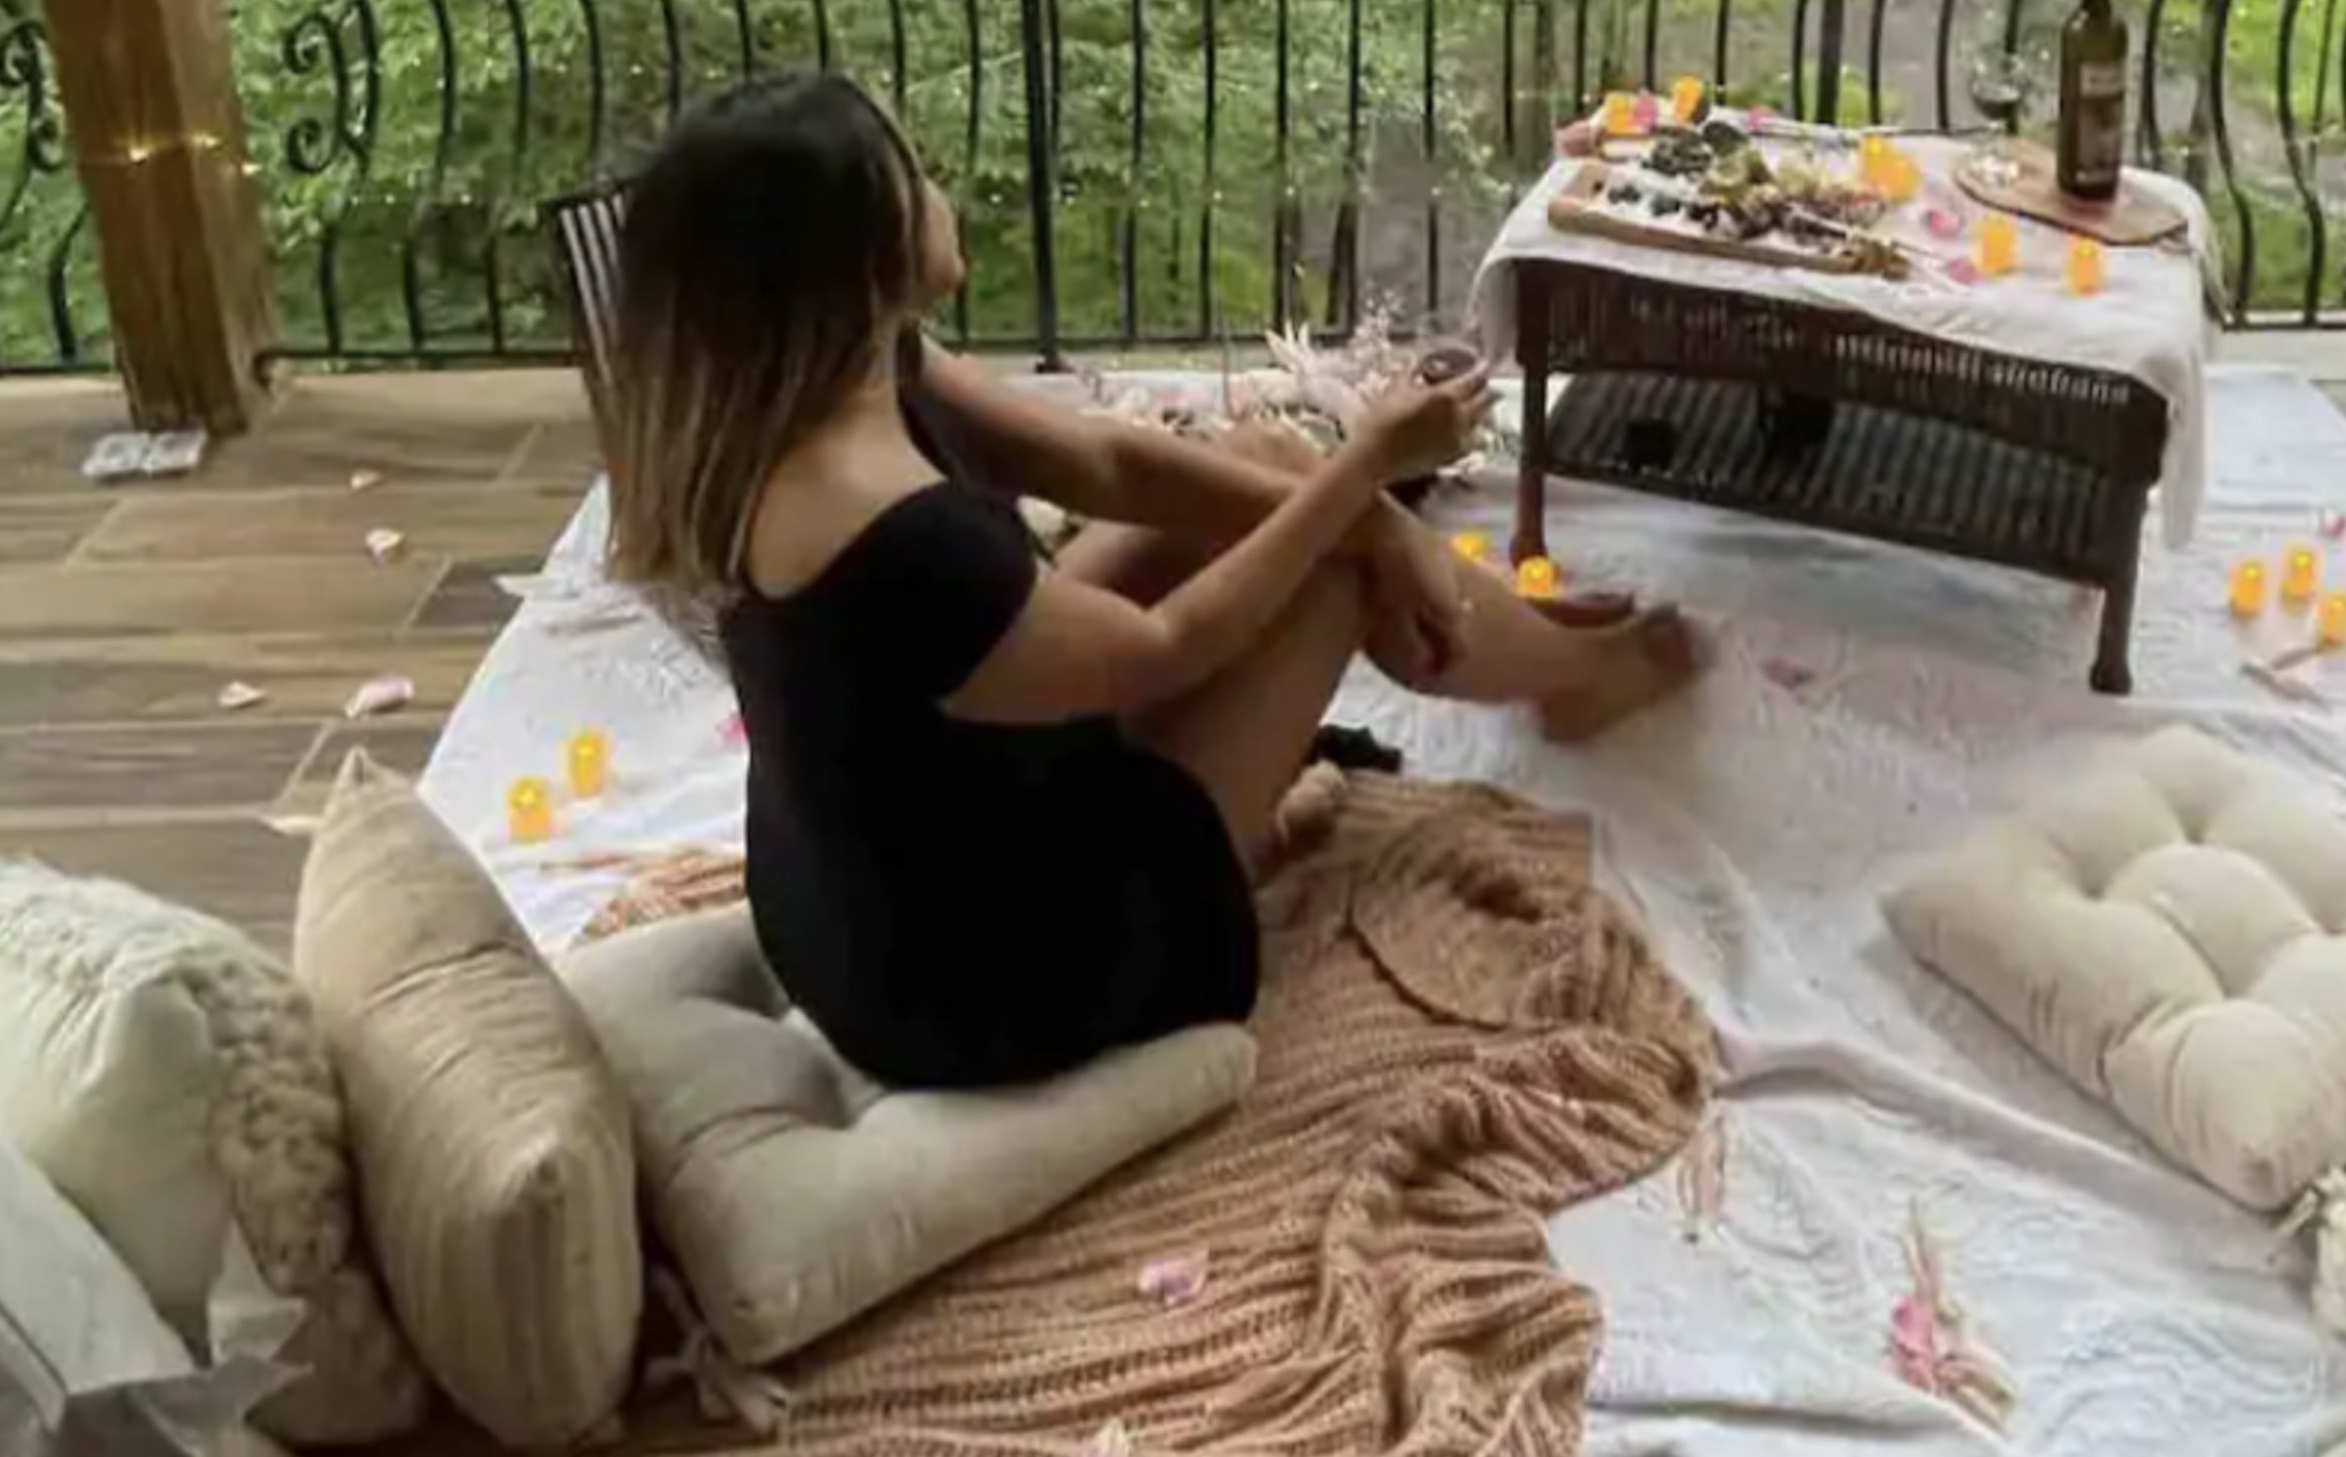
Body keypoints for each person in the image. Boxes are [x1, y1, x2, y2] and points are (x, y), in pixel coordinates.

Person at [601, 71, 1699, 1092]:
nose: (940, 192)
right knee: (1322, 571)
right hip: (982, 978)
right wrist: (1369, 472)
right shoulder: (886, 531)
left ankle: (1542, 653)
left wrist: (1368, 513)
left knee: (1277, 475)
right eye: (914, 176)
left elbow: (1101, 464)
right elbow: (1171, 643)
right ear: (859, 249)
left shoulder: (842, 368)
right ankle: (1571, 671)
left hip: (913, 848)